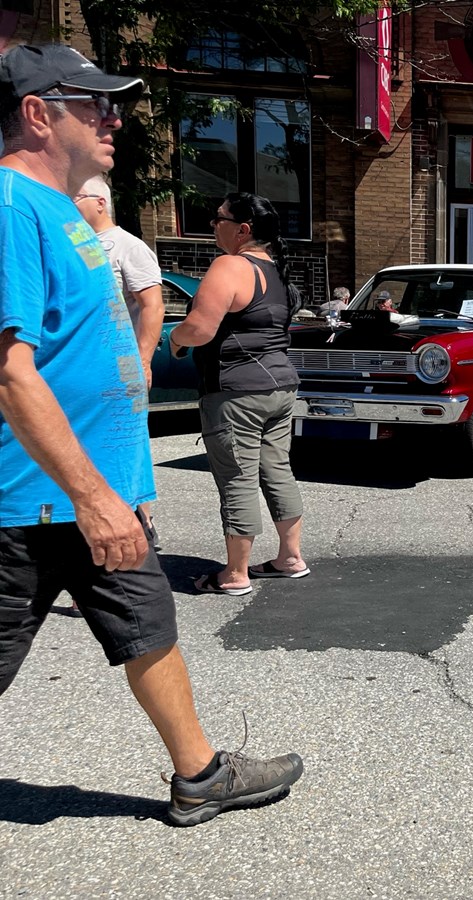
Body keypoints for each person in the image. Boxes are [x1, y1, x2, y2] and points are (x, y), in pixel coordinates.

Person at [0, 42, 302, 826]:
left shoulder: (63, 211)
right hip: (35, 501)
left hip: (96, 492)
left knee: (148, 627)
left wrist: (118, 489)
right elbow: (10, 373)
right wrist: (93, 495)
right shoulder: (7, 207)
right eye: (92, 102)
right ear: (38, 114)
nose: (114, 117)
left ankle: (199, 774)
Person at [168, 192, 310, 593]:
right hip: (280, 386)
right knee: (277, 471)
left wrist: (175, 342)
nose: (214, 225)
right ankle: (290, 557)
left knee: (238, 479)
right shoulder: (278, 270)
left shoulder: (230, 265)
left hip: (235, 392)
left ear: (243, 229)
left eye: (219, 219)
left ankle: (234, 575)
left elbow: (198, 328)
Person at [73, 174, 163, 558]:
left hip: (117, 369)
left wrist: (142, 360)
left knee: (116, 454)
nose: (67, 203)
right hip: (80, 369)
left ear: (99, 202)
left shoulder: (129, 247)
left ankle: (133, 530)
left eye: (74, 196)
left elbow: (152, 306)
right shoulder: (73, 242)